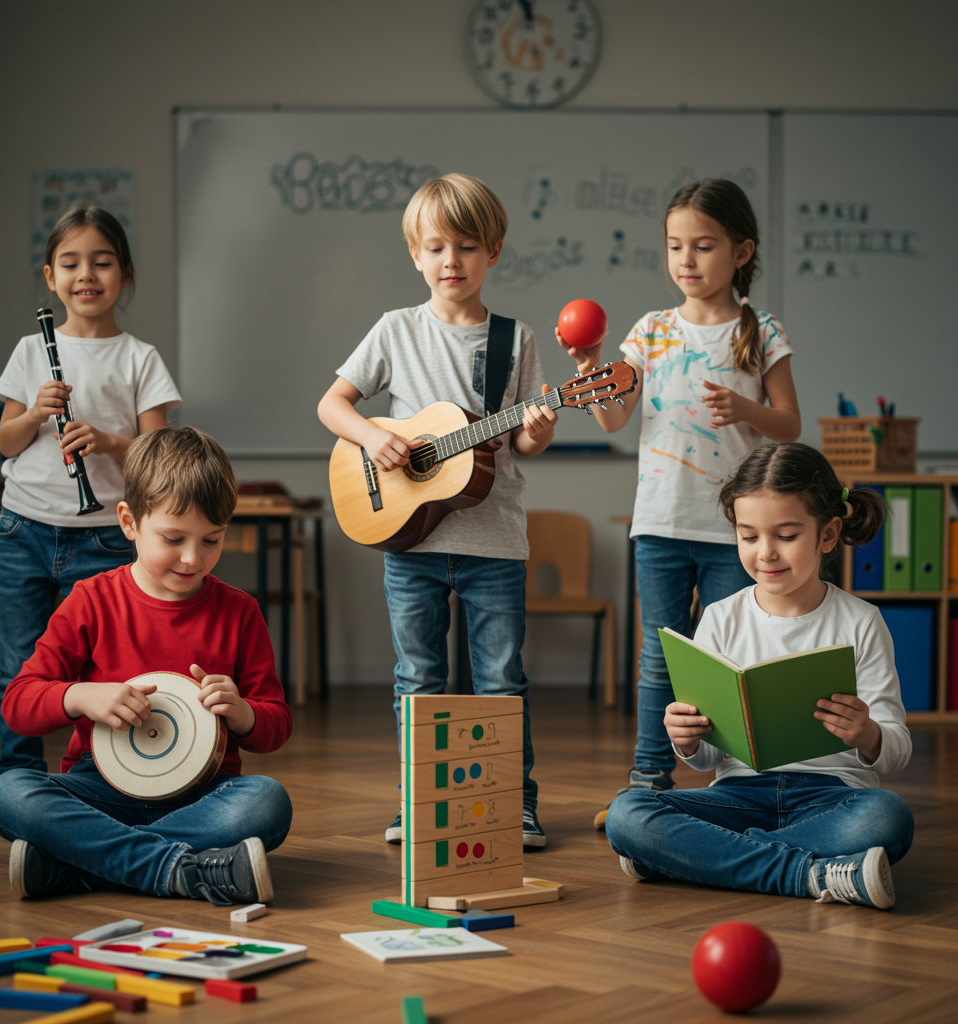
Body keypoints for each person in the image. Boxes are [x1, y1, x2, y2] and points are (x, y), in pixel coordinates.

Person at [317, 173, 557, 847]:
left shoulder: (516, 339)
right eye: (436, 247)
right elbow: (332, 405)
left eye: (468, 246)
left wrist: (538, 424)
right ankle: (421, 803)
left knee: (501, 682)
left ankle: (514, 806)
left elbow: (528, 444)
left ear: (495, 253)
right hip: (408, 540)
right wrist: (374, 436)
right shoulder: (395, 330)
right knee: (418, 678)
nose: (451, 261)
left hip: (496, 540)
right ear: (415, 255)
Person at [556, 179, 802, 826]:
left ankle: (730, 779)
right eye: (674, 247)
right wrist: (591, 374)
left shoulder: (761, 330)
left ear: (742, 250)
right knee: (660, 655)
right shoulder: (651, 331)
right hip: (662, 523)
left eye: (703, 246)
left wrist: (746, 409)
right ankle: (647, 775)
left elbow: (790, 424)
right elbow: (615, 420)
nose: (686, 260)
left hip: (736, 531)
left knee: (724, 659)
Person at [0, 426, 293, 906]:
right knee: (9, 792)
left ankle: (78, 864)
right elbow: (18, 704)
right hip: (98, 786)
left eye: (212, 540)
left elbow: (275, 723)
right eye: (173, 538)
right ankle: (181, 868)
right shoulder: (91, 601)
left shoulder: (240, 611)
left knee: (267, 801)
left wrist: (242, 712)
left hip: (204, 794)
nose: (193, 559)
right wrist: (80, 695)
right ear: (129, 522)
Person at [606, 442, 914, 910]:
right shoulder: (719, 618)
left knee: (888, 817)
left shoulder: (861, 621)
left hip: (831, 799)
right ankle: (810, 874)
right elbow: (708, 759)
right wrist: (686, 739)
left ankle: (697, 857)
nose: (765, 553)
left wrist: (868, 734)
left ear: (828, 535)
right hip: (737, 795)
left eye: (786, 535)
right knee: (626, 813)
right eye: (749, 537)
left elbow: (896, 751)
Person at [0, 203, 181, 774]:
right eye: (70, 264)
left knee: (100, 666)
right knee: (18, 662)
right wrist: (34, 418)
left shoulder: (140, 358)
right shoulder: (31, 351)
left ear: (124, 274)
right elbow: (6, 442)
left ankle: (95, 774)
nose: (86, 275)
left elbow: (160, 457)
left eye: (101, 263)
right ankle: (17, 779)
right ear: (51, 277)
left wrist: (107, 441)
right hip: (22, 527)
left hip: (101, 535)